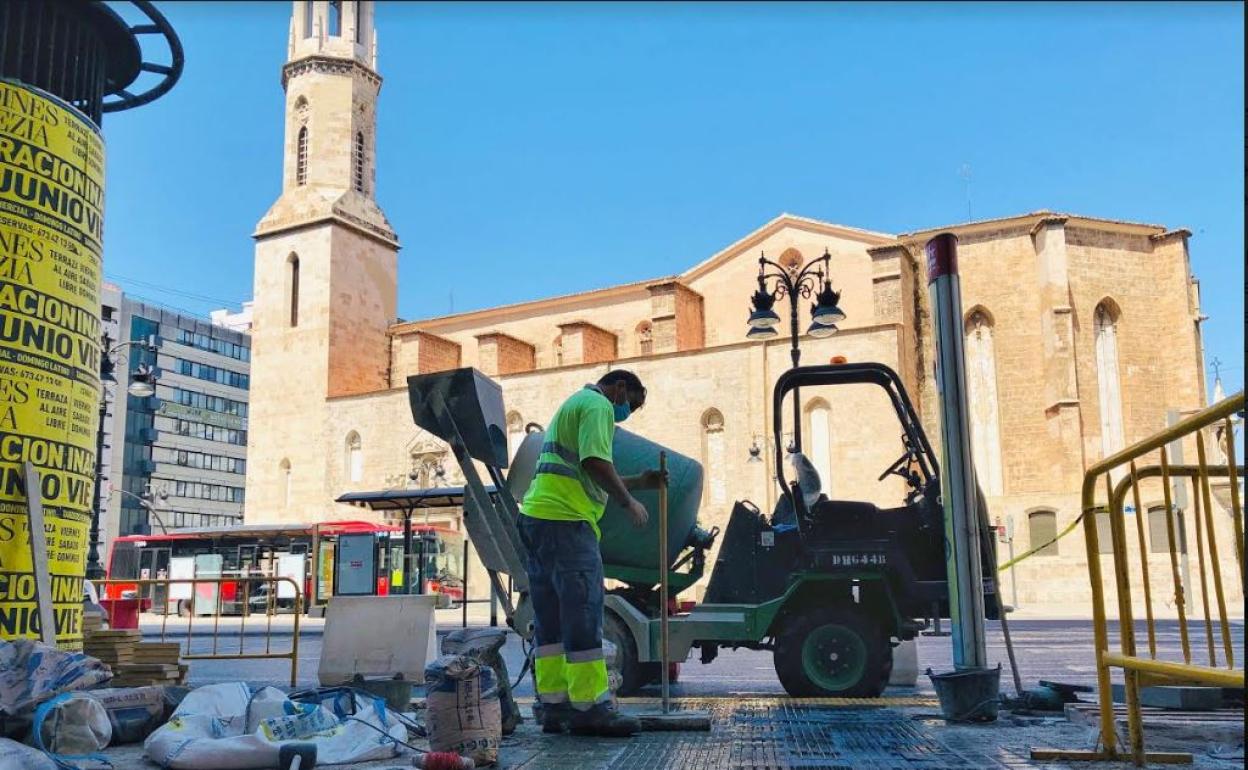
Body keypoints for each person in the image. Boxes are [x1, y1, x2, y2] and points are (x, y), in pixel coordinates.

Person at [519, 369, 660, 737]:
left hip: (538, 519)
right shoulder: (599, 405)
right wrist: (629, 502)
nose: (627, 411)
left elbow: (585, 472)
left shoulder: (574, 402)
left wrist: (639, 483)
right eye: (631, 403)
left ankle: (554, 707)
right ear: (618, 388)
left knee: (550, 621)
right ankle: (589, 709)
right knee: (583, 614)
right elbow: (595, 464)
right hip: (567, 524)